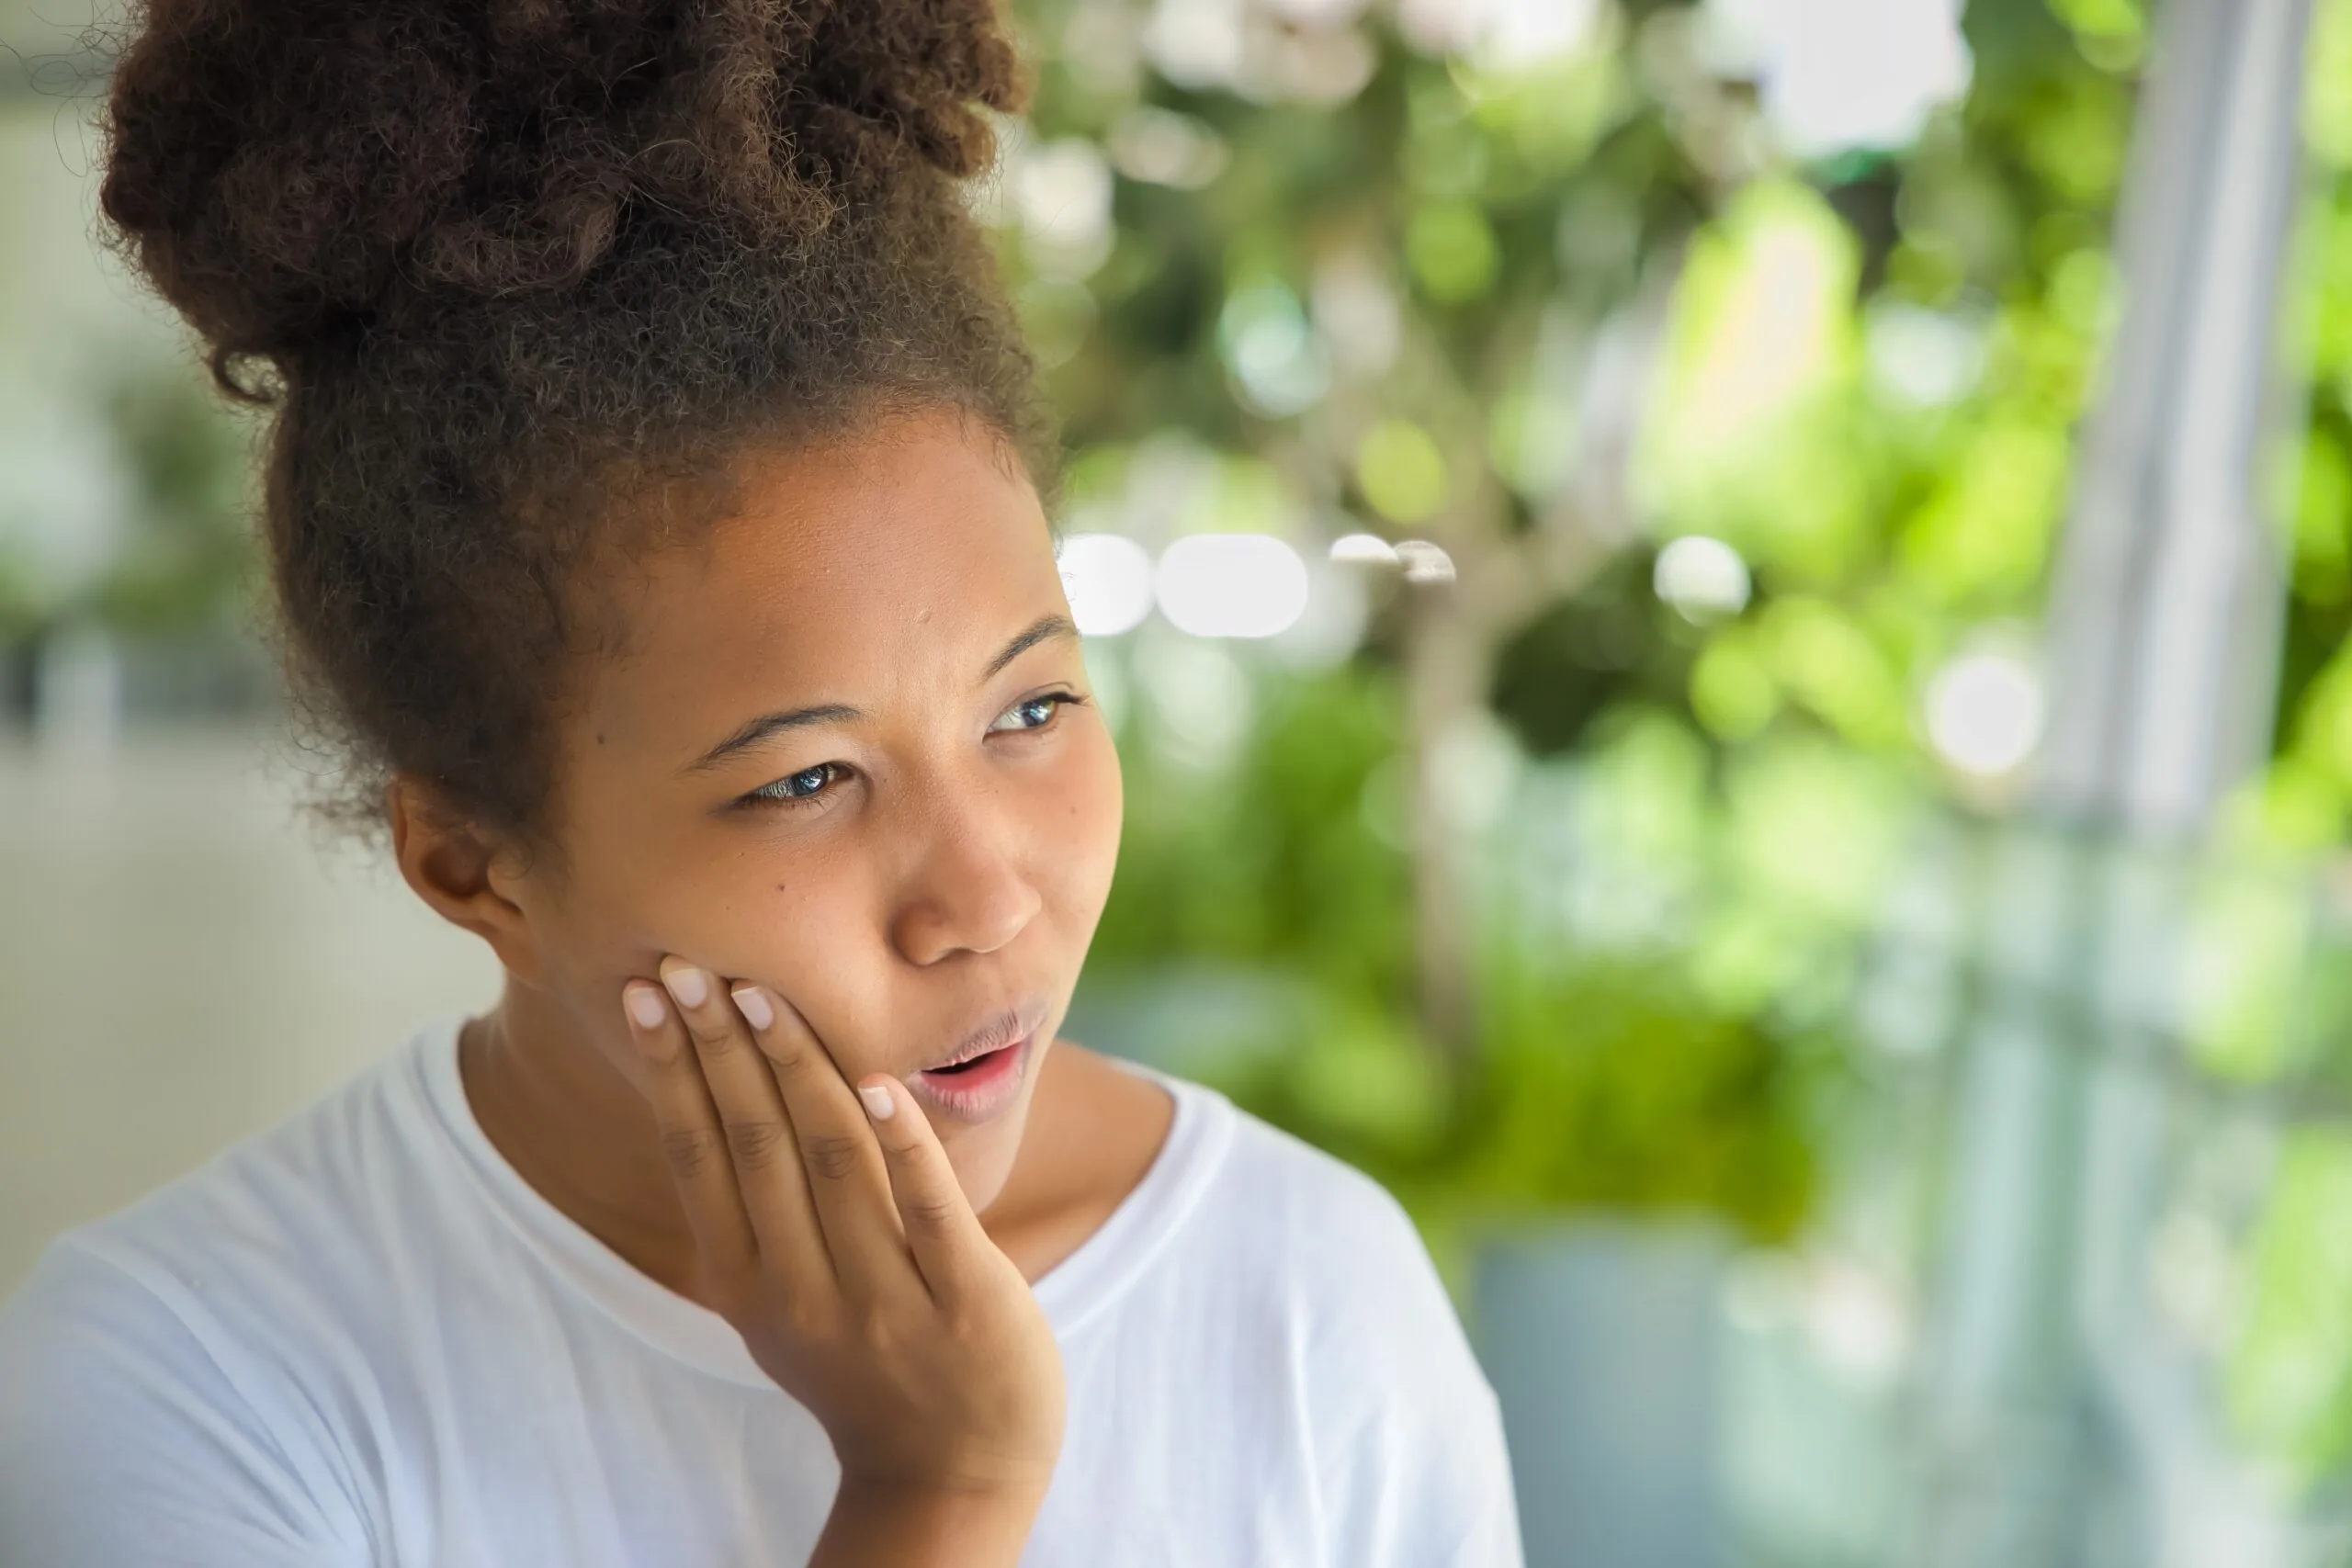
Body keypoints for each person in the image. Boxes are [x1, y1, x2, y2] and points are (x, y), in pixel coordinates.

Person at [0, 0, 1524, 1563]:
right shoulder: (188, 1379)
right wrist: (937, 1493)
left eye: (1035, 704)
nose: (986, 900)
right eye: (806, 781)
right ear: (475, 865)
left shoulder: (1309, 1302)